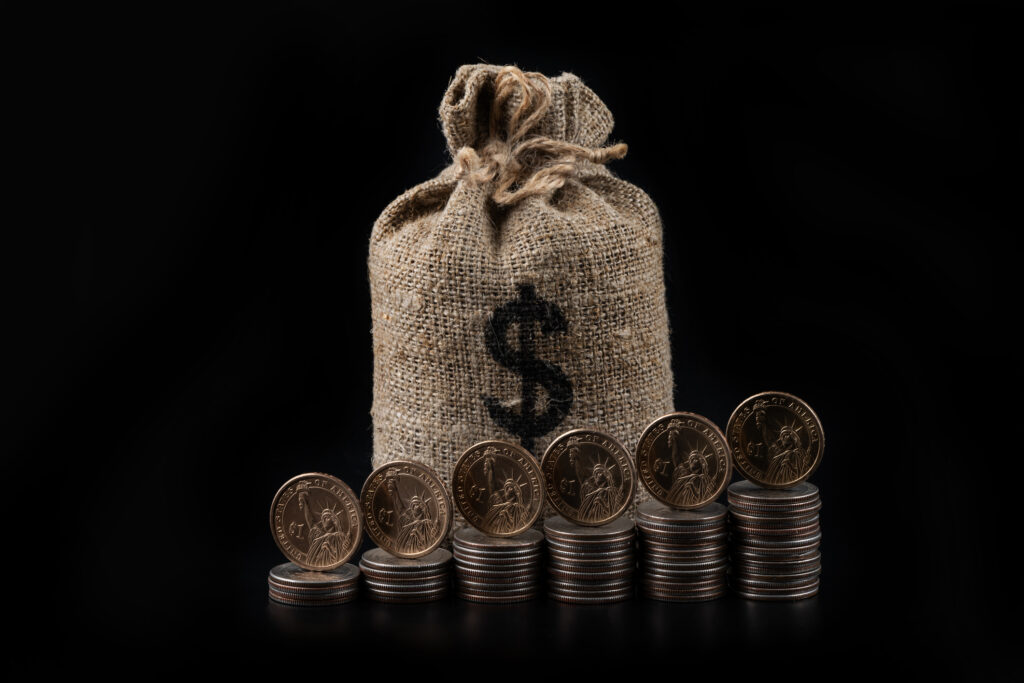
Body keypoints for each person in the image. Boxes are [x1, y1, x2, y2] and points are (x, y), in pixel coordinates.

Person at [297, 483, 351, 567]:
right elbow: (310, 522)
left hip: (332, 568)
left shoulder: (339, 536)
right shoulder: (319, 536)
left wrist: (329, 548)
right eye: (322, 519)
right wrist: (304, 501)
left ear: (334, 520)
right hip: (315, 568)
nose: (323, 520)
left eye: (326, 517)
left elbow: (341, 553)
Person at [569, 442, 622, 521]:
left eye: (599, 473)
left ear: (606, 476)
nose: (596, 476)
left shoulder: (610, 491)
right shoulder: (591, 493)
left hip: (603, 522)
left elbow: (611, 511)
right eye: (595, 474)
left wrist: (602, 503)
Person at [481, 451, 529, 533]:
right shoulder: (497, 506)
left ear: (516, 491)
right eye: (506, 488)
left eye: (510, 488)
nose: (507, 491)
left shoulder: (518, 508)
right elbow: (492, 487)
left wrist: (506, 515)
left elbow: (516, 523)